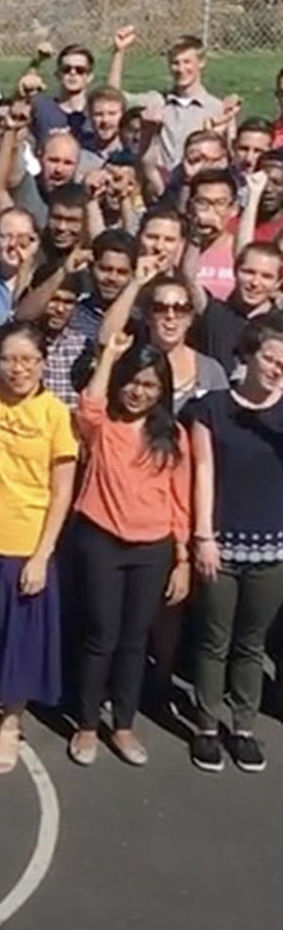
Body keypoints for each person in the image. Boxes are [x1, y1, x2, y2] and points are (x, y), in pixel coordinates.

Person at [0, 320, 80, 775]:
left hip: (27, 545)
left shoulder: (55, 414)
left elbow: (62, 491)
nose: (17, 368)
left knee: (20, 644)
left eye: (27, 359)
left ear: (43, 362)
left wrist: (42, 555)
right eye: (8, 358)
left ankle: (11, 723)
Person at [67, 331, 190, 767]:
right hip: (101, 540)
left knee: (135, 640)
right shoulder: (103, 428)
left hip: (152, 547)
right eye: (133, 382)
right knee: (101, 634)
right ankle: (85, 724)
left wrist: (182, 558)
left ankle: (122, 723)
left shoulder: (172, 433)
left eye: (150, 385)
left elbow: (180, 500)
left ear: (163, 392)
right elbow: (89, 407)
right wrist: (110, 358)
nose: (139, 392)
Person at [185, 326, 283, 773]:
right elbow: (203, 472)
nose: (277, 367)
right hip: (221, 545)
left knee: (252, 641)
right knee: (214, 639)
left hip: (273, 549)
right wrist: (203, 536)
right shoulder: (212, 408)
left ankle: (243, 726)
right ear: (249, 355)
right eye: (270, 357)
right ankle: (207, 724)